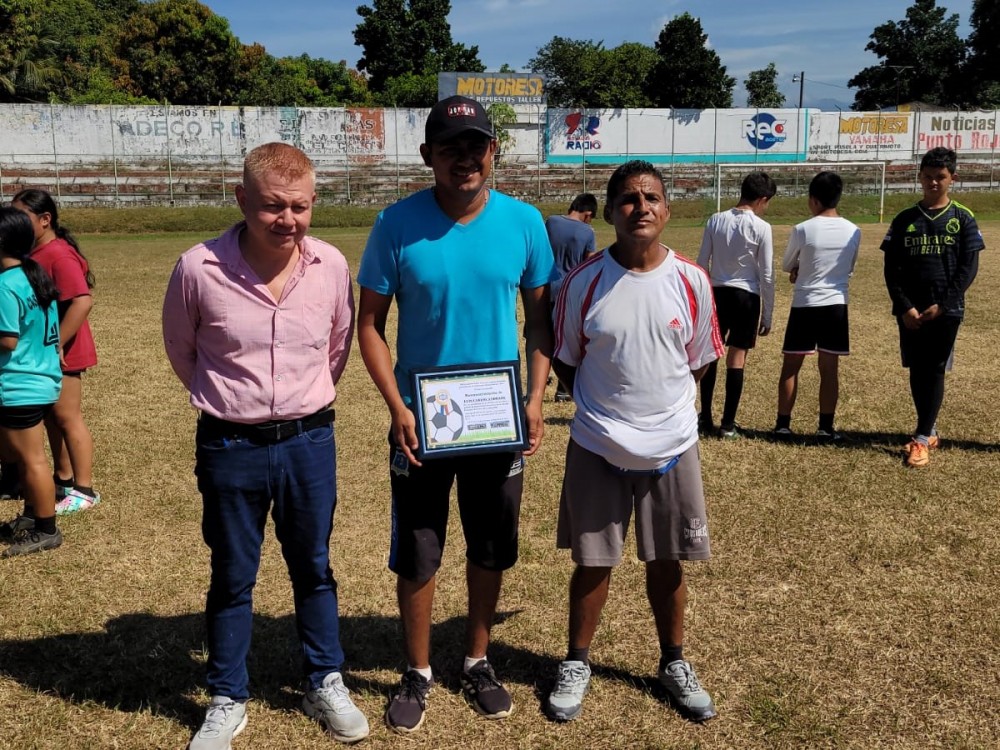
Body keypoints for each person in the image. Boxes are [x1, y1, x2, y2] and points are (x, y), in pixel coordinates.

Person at [356, 95, 553, 734]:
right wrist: (397, 406)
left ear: (494, 152)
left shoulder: (525, 223)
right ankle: (417, 671)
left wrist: (535, 396)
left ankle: (476, 658)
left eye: (476, 146)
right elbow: (370, 326)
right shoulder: (395, 224)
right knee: (418, 551)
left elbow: (541, 323)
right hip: (423, 424)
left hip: (497, 419)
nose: (464, 158)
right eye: (450, 147)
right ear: (428, 156)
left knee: (490, 544)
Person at [162, 142, 368, 748]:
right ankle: (228, 696)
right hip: (230, 444)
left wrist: (299, 403)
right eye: (273, 206)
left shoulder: (330, 265)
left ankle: (324, 679)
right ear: (242, 199)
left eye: (300, 207)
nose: (288, 221)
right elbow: (184, 350)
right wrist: (238, 404)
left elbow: (337, 346)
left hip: (308, 439)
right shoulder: (198, 267)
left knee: (314, 567)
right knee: (232, 573)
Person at [546, 160, 723, 723]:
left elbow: (696, 363)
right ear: (610, 212)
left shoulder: (692, 280)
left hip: (672, 447)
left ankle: (673, 661)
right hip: (598, 444)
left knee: (668, 559)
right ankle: (577, 662)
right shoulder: (584, 282)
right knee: (593, 562)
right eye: (627, 199)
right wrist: (610, 417)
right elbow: (569, 363)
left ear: (667, 209)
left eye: (650, 197)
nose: (640, 207)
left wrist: (661, 415)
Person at [881, 147, 985, 468]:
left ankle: (922, 437)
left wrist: (944, 304)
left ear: (953, 178)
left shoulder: (962, 218)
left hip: (946, 310)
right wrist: (904, 306)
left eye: (940, 177)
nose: (933, 183)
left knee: (935, 367)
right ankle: (929, 428)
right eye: (928, 177)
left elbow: (968, 268)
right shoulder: (904, 219)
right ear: (920, 178)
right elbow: (891, 268)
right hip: (911, 311)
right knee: (916, 367)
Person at [11, 189, 99, 514]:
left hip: (65, 350)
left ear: (45, 220)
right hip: (46, 351)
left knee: (67, 417)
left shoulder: (58, 254)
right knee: (52, 417)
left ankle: (84, 489)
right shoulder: (35, 253)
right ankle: (62, 479)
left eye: (22, 217)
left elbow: (82, 300)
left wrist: (58, 341)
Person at [774, 172, 861, 440]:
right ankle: (825, 428)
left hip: (805, 303)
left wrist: (799, 268)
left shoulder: (803, 229)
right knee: (829, 368)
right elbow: (849, 269)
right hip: (836, 304)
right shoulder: (853, 230)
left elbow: (788, 264)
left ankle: (783, 425)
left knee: (791, 366)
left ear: (813, 199)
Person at [0, 208, 63, 557]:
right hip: (41, 378)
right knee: (24, 457)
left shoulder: (6, 285)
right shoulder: (33, 275)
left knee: (32, 458)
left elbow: (7, 339)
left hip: (19, 383)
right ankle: (31, 515)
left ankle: (47, 529)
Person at [696, 172, 776, 438]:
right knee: (737, 359)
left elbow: (701, 263)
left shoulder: (715, 220)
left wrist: (701, 300)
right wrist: (768, 314)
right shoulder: (762, 227)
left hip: (716, 293)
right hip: (747, 297)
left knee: (710, 355)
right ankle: (728, 425)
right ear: (762, 199)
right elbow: (767, 274)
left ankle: (705, 417)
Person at [546, 193, 598, 402]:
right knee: (566, 340)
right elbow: (590, 263)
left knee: (541, 336)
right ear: (588, 214)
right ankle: (562, 389)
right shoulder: (587, 232)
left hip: (546, 287)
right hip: (570, 291)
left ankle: (537, 384)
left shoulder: (550, 222)